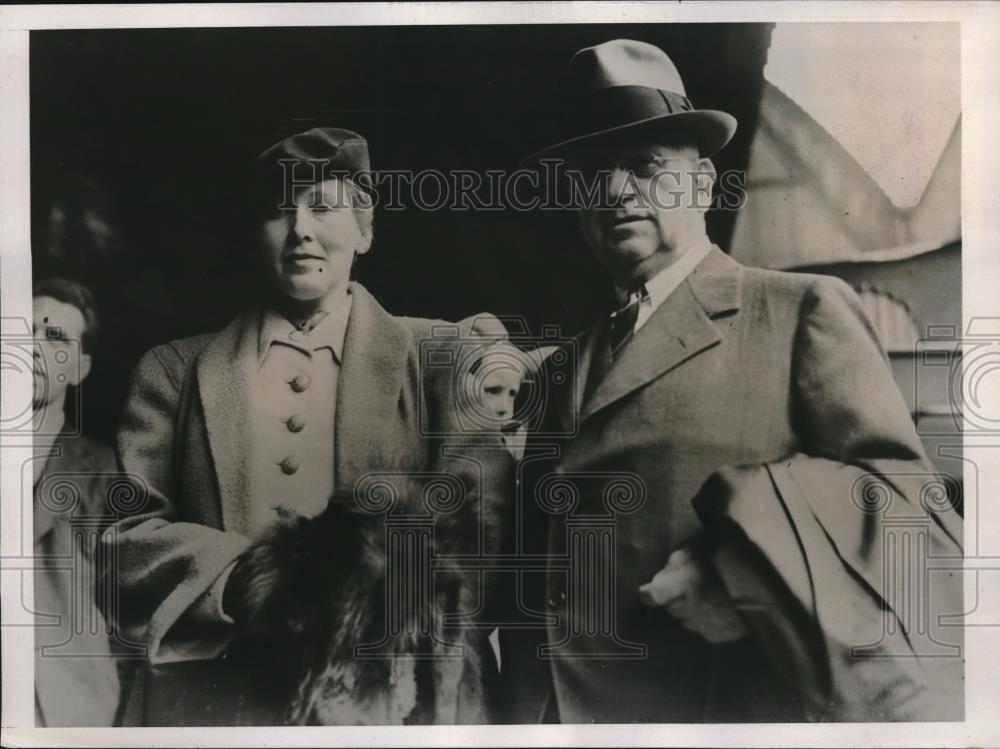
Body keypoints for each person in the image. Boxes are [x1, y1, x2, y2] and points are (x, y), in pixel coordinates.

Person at [499, 39, 963, 723]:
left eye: (645, 167)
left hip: (714, 711)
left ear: (704, 185)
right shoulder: (563, 366)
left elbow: (906, 508)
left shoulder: (800, 310)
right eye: (592, 173)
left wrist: (740, 574)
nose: (614, 191)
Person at [104, 127, 509, 725]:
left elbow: (489, 535)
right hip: (218, 704)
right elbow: (123, 544)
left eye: (323, 208)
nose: (300, 230)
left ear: (365, 231)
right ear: (252, 237)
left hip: (400, 705)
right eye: (277, 212)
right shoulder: (174, 373)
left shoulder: (442, 358)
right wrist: (246, 580)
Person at [31, 278, 122, 726]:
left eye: (53, 338)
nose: (32, 347)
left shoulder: (105, 474)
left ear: (79, 369)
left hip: (64, 713)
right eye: (20, 331)